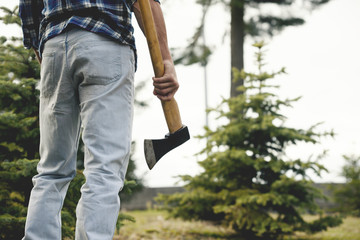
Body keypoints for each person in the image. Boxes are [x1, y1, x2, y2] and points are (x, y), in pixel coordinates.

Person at [19, 0, 179, 239]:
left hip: (54, 46)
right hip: (106, 40)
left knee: (52, 170)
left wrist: (46, 54)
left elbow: (28, 6)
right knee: (103, 169)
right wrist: (165, 59)